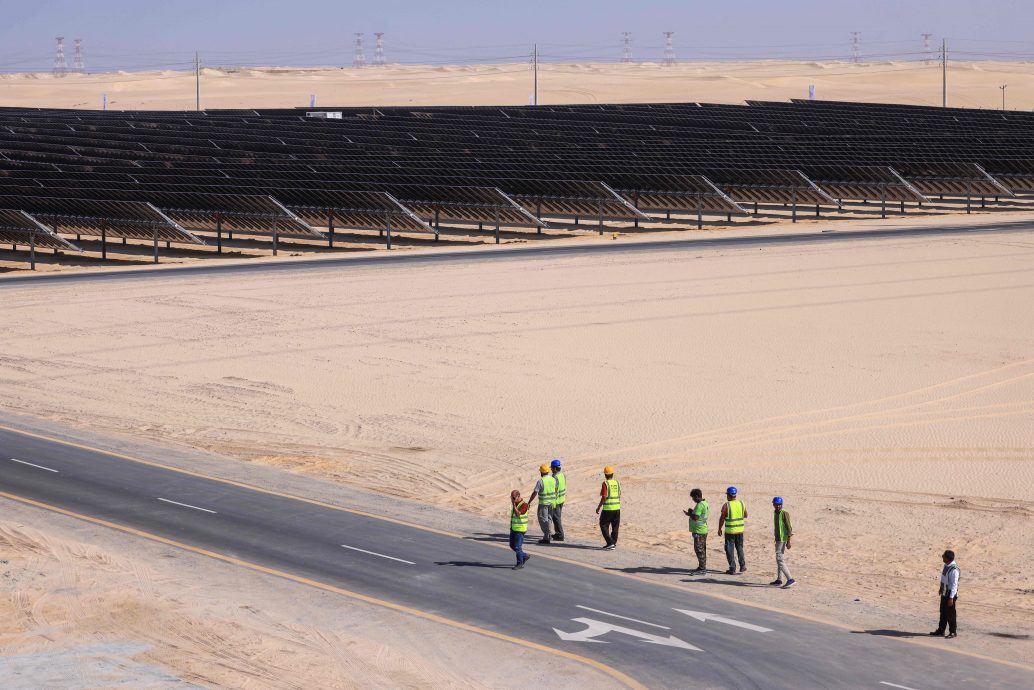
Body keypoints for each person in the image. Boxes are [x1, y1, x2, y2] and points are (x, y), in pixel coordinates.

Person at [717, 486, 747, 574]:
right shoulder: (742, 503)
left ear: (729, 495)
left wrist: (719, 528)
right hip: (740, 530)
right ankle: (743, 566)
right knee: (740, 547)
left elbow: (722, 518)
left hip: (730, 531)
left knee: (729, 549)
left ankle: (732, 568)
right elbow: (745, 515)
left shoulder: (727, 505)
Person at [930, 550, 960, 638]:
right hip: (944, 592)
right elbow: (944, 578)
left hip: (950, 594)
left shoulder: (954, 570)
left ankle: (953, 632)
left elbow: (954, 585)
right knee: (943, 612)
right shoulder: (946, 565)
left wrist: (951, 598)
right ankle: (941, 630)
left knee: (950, 614)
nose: (942, 557)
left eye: (943, 556)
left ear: (947, 558)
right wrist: (940, 588)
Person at [770, 496, 796, 589]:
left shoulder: (784, 513)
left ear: (782, 505)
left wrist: (789, 541)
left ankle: (790, 579)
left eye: (779, 505)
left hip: (782, 540)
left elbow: (789, 528)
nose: (777, 506)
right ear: (773, 504)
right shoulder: (775, 513)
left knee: (780, 560)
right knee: (778, 559)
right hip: (777, 539)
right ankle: (779, 579)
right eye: (776, 505)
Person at [528, 463, 557, 544]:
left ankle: (547, 536)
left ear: (541, 472)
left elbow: (535, 492)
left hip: (544, 503)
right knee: (549, 518)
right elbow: (555, 489)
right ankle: (548, 535)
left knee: (543, 519)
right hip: (552, 502)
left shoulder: (541, 481)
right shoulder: (553, 479)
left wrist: (529, 502)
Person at [683, 488, 709, 574]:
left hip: (699, 531)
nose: (693, 499)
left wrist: (689, 513)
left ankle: (702, 569)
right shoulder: (705, 503)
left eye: (693, 498)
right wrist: (692, 512)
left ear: (697, 496)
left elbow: (696, 517)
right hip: (703, 530)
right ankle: (702, 567)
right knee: (702, 549)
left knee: (699, 549)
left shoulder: (700, 505)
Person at [595, 466, 621, 550]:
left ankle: (610, 543)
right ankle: (613, 543)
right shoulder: (617, 482)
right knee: (615, 526)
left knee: (603, 524)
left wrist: (599, 507)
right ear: (612, 474)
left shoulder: (605, 483)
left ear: (605, 475)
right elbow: (619, 494)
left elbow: (604, 496)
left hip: (608, 508)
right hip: (617, 508)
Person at [509, 490, 531, 570]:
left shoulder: (524, 505)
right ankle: (524, 556)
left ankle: (520, 563)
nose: (512, 499)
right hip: (514, 529)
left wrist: (514, 504)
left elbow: (518, 514)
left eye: (514, 498)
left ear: (518, 496)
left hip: (520, 530)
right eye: (511, 498)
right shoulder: (516, 504)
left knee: (518, 547)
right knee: (512, 545)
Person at [550, 459, 566, 542]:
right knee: (557, 517)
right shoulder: (562, 475)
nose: (551, 470)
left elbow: (554, 490)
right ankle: (557, 533)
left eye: (552, 468)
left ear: (555, 468)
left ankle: (560, 535)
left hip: (556, 501)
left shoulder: (555, 477)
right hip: (562, 499)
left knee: (556, 518)